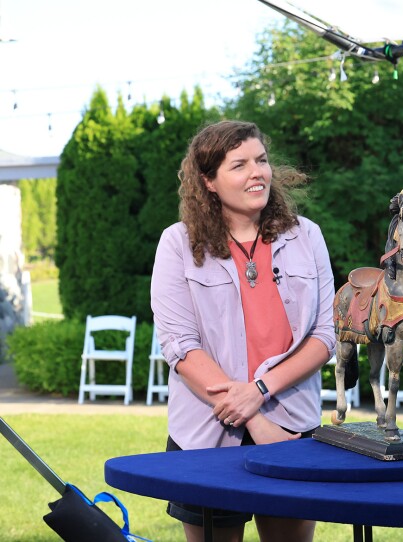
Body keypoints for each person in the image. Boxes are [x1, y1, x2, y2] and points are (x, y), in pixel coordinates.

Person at [151, 120, 335, 542]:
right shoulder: (176, 243)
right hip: (206, 434)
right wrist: (251, 415)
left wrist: (261, 391)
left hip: (292, 428)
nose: (258, 172)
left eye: (262, 160)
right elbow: (180, 346)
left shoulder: (307, 236)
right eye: (240, 165)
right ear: (208, 182)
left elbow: (324, 335)